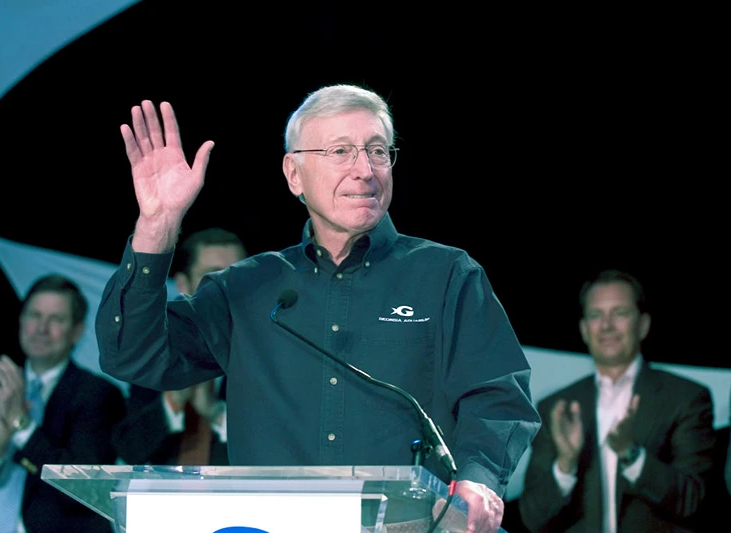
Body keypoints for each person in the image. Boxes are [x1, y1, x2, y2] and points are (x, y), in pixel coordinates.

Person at [95, 83, 541, 533]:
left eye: (378, 151)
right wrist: (157, 225)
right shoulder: (246, 288)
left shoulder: (446, 275)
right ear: (294, 174)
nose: (364, 169)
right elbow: (133, 354)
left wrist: (478, 481)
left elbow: (497, 397)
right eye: (341, 151)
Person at [518, 269, 716, 532]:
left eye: (619, 313)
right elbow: (532, 518)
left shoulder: (686, 398)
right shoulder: (557, 407)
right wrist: (565, 463)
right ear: (584, 329)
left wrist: (631, 455)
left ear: (643, 325)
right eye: (595, 315)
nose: (606, 325)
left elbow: (693, 500)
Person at [0, 274, 126, 533]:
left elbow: (84, 488)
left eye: (55, 319)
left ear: (76, 331)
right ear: (21, 320)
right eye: (34, 315)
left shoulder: (97, 395)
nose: (41, 328)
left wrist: (22, 427)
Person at [112, 227, 248, 467]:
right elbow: (127, 449)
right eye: (213, 276)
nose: (228, 287)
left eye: (237, 275)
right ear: (183, 284)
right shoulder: (156, 353)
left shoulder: (265, 352)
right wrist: (171, 404)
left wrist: (216, 414)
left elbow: (285, 446)